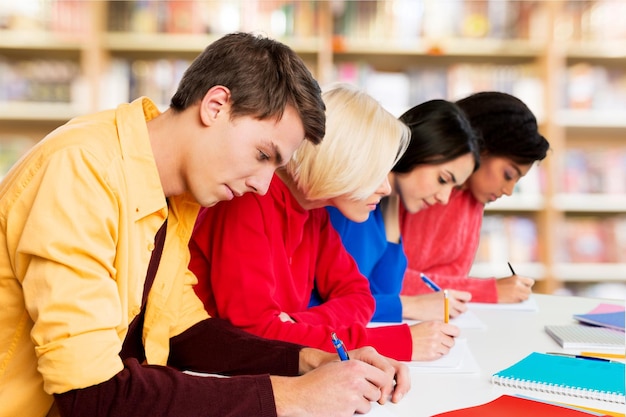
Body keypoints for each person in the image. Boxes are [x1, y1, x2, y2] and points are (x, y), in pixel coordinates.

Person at [0, 33, 410, 417]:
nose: (264, 186)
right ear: (216, 106)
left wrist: (309, 361)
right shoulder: (82, 171)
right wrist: (293, 397)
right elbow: (91, 394)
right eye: (263, 155)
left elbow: (185, 330)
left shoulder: (174, 193)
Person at [190, 89, 474, 362]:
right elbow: (254, 335)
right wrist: (392, 342)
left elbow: (360, 297)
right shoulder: (248, 201)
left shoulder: (315, 214)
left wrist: (295, 324)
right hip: (210, 369)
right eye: (377, 172)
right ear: (343, 158)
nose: (386, 188)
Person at [323, 99, 481, 324]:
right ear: (417, 150)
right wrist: (412, 305)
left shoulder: (380, 207)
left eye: (453, 188)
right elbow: (327, 305)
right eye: (443, 179)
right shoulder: (348, 203)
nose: (444, 198)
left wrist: (392, 203)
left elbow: (385, 290)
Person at [400, 91, 550, 304]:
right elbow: (388, 281)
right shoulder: (423, 192)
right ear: (480, 148)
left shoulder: (473, 200)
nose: (508, 190)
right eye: (508, 175)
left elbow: (452, 280)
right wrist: (486, 291)